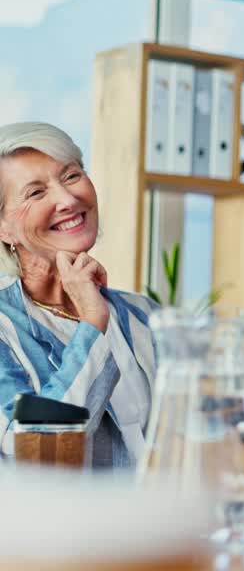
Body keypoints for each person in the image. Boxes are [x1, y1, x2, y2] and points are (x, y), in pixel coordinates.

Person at [0, 122, 157, 469]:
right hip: (57, 525)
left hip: (162, 521)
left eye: (71, 176)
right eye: (36, 193)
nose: (68, 200)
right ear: (4, 228)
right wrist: (91, 323)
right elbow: (37, 454)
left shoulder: (145, 315)